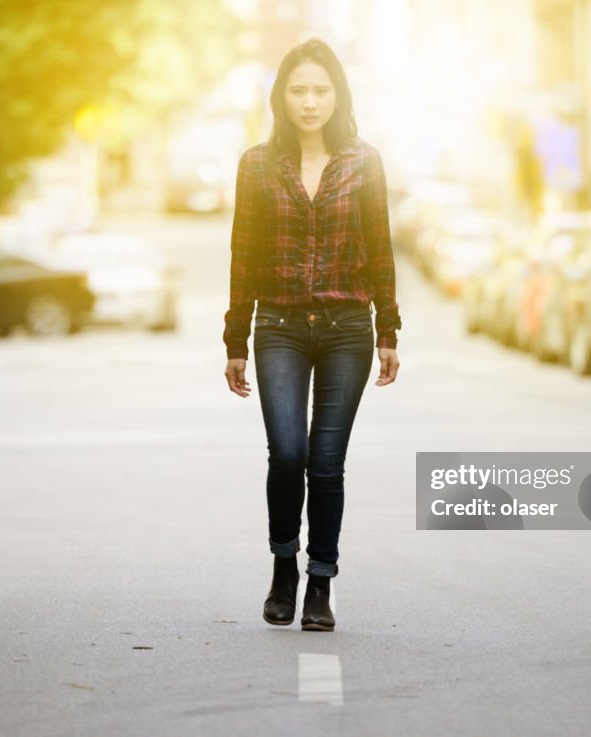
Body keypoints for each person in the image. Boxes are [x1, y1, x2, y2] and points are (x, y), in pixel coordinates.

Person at [222, 38, 402, 632]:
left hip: (348, 326)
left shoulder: (364, 162)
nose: (309, 101)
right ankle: (283, 570)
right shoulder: (256, 164)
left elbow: (380, 248)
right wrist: (235, 341)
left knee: (326, 463)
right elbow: (242, 254)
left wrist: (387, 329)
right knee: (289, 452)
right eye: (298, 90)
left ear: (338, 96)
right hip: (278, 325)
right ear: (281, 97)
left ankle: (320, 582)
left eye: (320, 90)